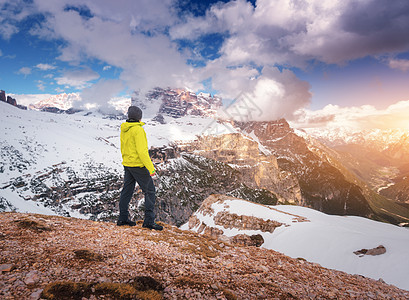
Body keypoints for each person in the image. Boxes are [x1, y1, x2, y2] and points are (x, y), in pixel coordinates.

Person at [117, 106, 163, 231]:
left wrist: (127, 160)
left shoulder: (124, 129)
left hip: (127, 164)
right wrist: (151, 169)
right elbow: (142, 152)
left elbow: (123, 147)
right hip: (138, 165)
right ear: (139, 117)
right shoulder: (138, 130)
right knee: (150, 191)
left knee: (127, 190)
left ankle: (122, 218)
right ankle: (149, 221)